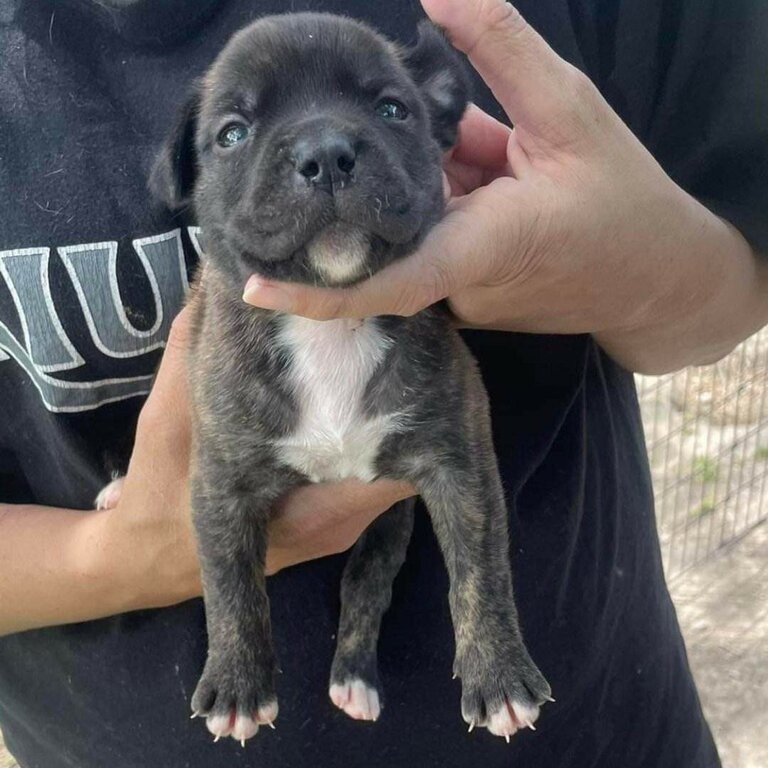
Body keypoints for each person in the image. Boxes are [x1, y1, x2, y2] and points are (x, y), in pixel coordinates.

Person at [0, 0, 765, 765]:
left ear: (440, 120)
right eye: (236, 132)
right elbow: (214, 497)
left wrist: (643, 271)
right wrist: (122, 555)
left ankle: (394, 659)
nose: (326, 150)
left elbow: (731, 284)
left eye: (388, 106)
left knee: (395, 535)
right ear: (188, 172)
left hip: (603, 726)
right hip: (101, 733)